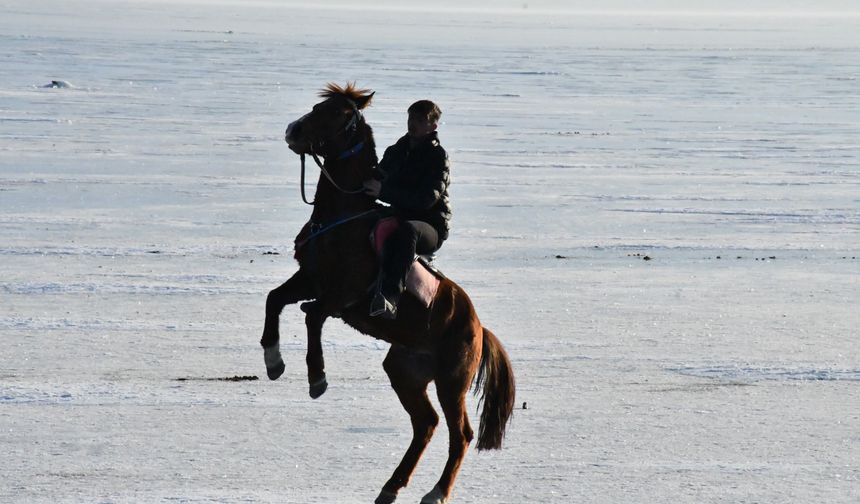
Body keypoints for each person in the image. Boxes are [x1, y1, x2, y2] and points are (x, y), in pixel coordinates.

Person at [362, 99, 451, 319]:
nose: (413, 124)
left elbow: (426, 200)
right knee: (360, 221)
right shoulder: (397, 150)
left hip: (430, 225)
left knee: (407, 231)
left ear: (433, 126)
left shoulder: (438, 157)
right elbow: (379, 175)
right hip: (399, 215)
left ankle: (390, 297)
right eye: (411, 118)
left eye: (420, 120)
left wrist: (383, 192)